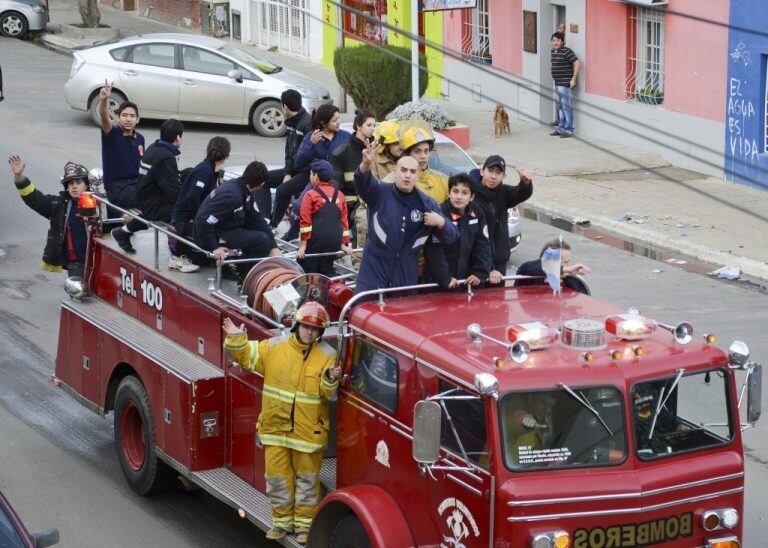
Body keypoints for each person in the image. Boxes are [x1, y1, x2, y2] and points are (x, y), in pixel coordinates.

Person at [222, 301, 340, 544]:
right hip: (275, 429)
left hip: (308, 434)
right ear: (297, 325)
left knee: (307, 483)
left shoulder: (328, 355)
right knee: (277, 479)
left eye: (315, 329)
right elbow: (247, 357)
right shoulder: (276, 346)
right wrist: (237, 339)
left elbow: (329, 393)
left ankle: (305, 527)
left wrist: (329, 378)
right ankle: (282, 523)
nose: (309, 332)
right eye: (306, 326)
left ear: (321, 332)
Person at [353, 141, 458, 294]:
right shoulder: (380, 193)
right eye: (403, 170)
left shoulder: (427, 204)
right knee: (365, 315)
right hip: (373, 272)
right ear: (396, 171)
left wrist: (441, 222)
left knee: (400, 316)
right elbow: (362, 182)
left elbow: (452, 237)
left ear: (417, 175)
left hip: (405, 275)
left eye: (412, 171)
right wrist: (365, 164)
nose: (407, 175)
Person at [111, 118, 185, 257]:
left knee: (155, 211)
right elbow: (172, 189)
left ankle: (123, 231)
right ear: (177, 137)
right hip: (153, 201)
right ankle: (179, 254)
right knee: (184, 213)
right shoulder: (167, 157)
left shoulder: (154, 147)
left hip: (144, 196)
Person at [194, 160, 281, 279]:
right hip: (211, 234)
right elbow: (204, 222)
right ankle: (247, 277)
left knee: (264, 238)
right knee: (261, 241)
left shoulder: (243, 190)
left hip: (225, 227)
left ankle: (238, 268)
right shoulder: (233, 196)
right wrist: (214, 248)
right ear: (260, 185)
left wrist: (274, 247)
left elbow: (256, 219)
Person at [273, 104, 350, 234]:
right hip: (316, 181)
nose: (338, 123)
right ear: (323, 123)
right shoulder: (311, 136)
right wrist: (310, 144)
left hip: (338, 181)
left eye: (338, 119)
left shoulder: (345, 136)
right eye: (334, 120)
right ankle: (293, 232)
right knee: (299, 206)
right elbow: (299, 162)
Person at [10, 156, 89, 278]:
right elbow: (35, 199)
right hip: (76, 265)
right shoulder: (59, 206)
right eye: (71, 183)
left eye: (78, 183)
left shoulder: (100, 204)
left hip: (100, 262)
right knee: (78, 295)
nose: (74, 186)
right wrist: (19, 177)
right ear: (67, 188)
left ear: (86, 185)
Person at [469, 155, 533, 283]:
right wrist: (488, 267)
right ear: (482, 171)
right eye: (490, 171)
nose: (493, 176)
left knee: (498, 301)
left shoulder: (503, 192)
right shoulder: (470, 194)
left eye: (498, 173)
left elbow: (521, 193)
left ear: (503, 176)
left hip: (499, 264)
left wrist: (526, 183)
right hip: (476, 264)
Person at [170, 137, 231, 270]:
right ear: (227, 155)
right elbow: (193, 196)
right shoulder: (205, 171)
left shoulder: (213, 171)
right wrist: (199, 219)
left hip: (191, 217)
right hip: (184, 220)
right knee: (216, 235)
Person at [424, 173, 492, 288]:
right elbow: (434, 251)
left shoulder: (477, 212)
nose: (459, 197)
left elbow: (483, 245)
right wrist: (445, 278)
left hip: (466, 282)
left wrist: (480, 273)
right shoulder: (439, 214)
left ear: (472, 196)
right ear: (449, 193)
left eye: (464, 193)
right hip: (439, 283)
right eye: (455, 191)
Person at [257, 89, 312, 221]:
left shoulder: (307, 124)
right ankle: (267, 220)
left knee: (283, 189)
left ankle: (274, 224)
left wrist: (290, 174)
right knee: (260, 180)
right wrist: (287, 172)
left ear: (285, 107)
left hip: (305, 172)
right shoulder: (292, 122)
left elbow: (306, 155)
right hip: (293, 169)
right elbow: (289, 151)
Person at [296, 160, 353, 277]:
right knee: (327, 269)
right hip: (334, 242)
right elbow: (344, 222)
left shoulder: (310, 195)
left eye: (311, 173)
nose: (310, 176)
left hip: (315, 241)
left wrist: (303, 245)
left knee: (308, 270)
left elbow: (305, 222)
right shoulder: (340, 195)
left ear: (316, 177)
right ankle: (329, 290)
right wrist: (343, 244)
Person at [354, 119, 402, 253]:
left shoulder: (405, 162)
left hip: (398, 209)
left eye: (401, 142)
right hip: (375, 208)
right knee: (364, 220)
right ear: (385, 145)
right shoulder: (372, 160)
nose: (401, 146)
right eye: (396, 143)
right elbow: (367, 189)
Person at [330, 111, 375, 246]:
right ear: (358, 126)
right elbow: (335, 188)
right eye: (369, 125)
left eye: (374, 125)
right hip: (351, 205)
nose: (373, 128)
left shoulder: (377, 151)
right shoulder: (341, 153)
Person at [98, 80, 145, 209]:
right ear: (118, 117)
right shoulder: (111, 133)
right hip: (117, 188)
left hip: (137, 185)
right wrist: (103, 101)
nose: (128, 119)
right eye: (124, 115)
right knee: (148, 200)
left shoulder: (140, 138)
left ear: (138, 119)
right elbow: (104, 116)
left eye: (132, 116)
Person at [385, 125, 449, 205]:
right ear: (407, 154)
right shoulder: (391, 182)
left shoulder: (443, 180)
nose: (423, 156)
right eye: (417, 152)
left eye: (426, 151)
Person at [514, 239, 591, 293]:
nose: (566, 267)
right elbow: (527, 267)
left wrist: (568, 279)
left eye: (567, 263)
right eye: (563, 263)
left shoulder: (570, 279)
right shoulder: (529, 272)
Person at [504, 393, 556, 464]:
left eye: (550, 406)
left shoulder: (547, 421)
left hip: (525, 467)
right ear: (531, 399)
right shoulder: (516, 405)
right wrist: (523, 420)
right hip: (504, 467)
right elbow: (513, 418)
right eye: (542, 402)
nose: (546, 409)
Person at [550, 31, 581, 138]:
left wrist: (573, 79)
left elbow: (577, 63)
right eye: (554, 40)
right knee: (560, 107)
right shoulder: (553, 51)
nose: (556, 42)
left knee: (566, 107)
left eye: (558, 40)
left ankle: (568, 130)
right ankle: (561, 128)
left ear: (562, 41)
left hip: (565, 84)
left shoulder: (567, 51)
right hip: (557, 83)